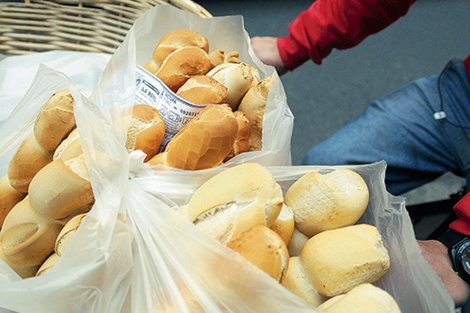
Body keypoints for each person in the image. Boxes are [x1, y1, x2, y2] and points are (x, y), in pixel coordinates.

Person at [251, 0, 470, 308]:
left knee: (442, 294)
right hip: (463, 94)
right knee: (330, 170)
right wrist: (294, 44)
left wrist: (463, 249)